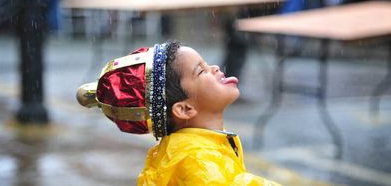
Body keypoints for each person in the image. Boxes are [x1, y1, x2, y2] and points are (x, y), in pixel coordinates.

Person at [77, 40, 281, 185]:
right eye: (201, 71)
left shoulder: (195, 146)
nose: (215, 68)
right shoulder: (196, 162)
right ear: (184, 109)